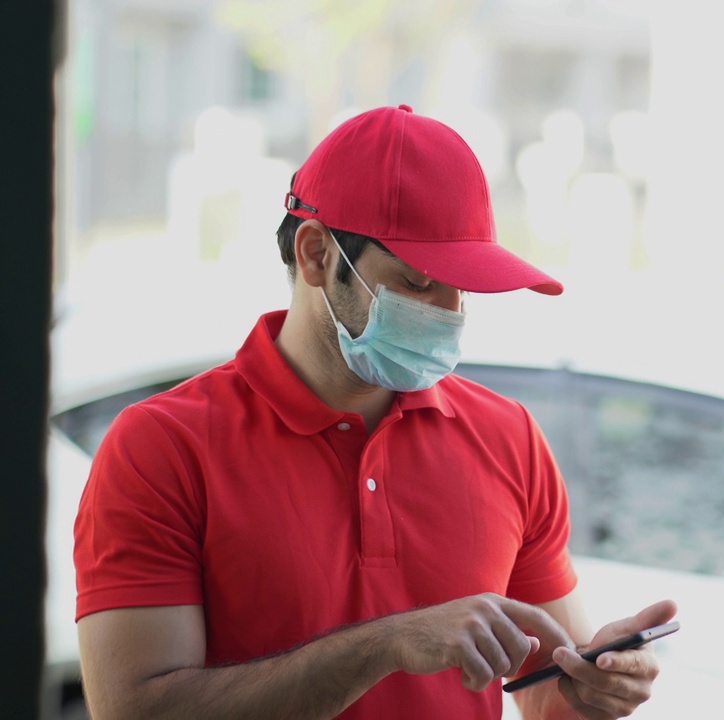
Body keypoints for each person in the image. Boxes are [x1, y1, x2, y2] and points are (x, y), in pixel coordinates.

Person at [74, 104, 677, 720]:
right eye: (419, 282)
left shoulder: (509, 437)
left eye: (465, 286)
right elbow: (133, 712)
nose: (449, 312)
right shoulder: (162, 447)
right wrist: (387, 645)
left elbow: (546, 693)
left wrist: (594, 689)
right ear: (315, 256)